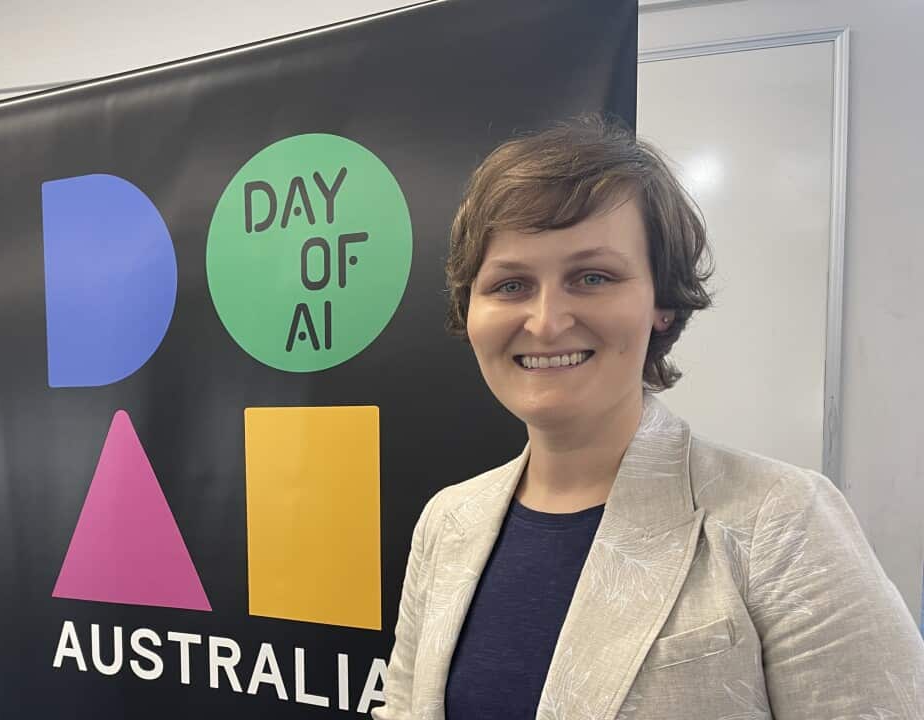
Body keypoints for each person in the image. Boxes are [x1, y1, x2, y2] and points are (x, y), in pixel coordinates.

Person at [372, 114, 924, 720]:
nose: (547, 321)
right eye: (510, 285)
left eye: (592, 277)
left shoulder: (783, 521)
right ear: (469, 309)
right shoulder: (447, 521)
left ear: (660, 302)